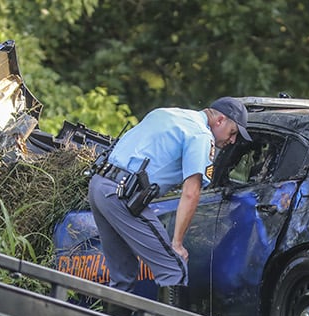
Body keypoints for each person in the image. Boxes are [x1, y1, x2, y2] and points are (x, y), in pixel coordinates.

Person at [87, 98, 249, 304]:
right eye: (233, 132)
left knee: (122, 275)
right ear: (220, 120)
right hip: (121, 195)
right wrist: (177, 243)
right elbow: (191, 192)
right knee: (174, 269)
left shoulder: (169, 114)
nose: (232, 141)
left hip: (99, 185)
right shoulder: (200, 135)